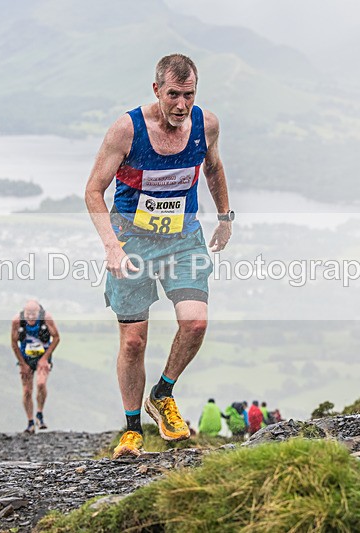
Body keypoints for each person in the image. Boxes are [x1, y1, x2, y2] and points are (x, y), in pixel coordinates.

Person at [85, 54, 233, 459]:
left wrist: (224, 217)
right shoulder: (127, 130)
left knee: (196, 321)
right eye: (173, 95)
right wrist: (111, 246)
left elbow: (214, 169)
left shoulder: (207, 125)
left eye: (188, 95)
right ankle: (132, 430)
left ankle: (163, 393)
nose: (181, 105)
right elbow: (93, 191)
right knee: (133, 341)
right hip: (131, 241)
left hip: (182, 238)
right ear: (156, 90)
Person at [11, 299, 60, 434]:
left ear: (39, 312)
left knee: (41, 384)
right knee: (27, 390)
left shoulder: (46, 319)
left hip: (42, 356)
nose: (31, 317)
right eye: (28, 314)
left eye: (34, 313)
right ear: (24, 312)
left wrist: (45, 358)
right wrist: (22, 364)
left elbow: (56, 338)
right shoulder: (17, 321)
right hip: (25, 358)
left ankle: (39, 414)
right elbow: (14, 343)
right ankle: (30, 422)